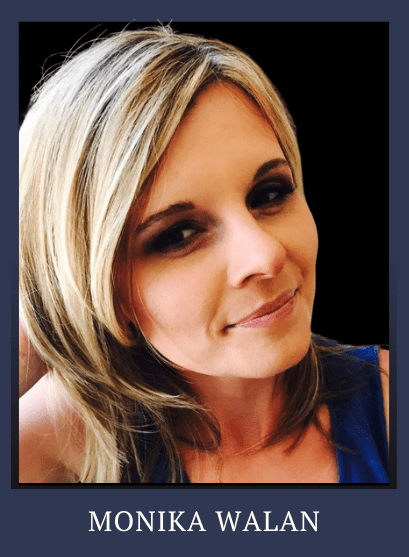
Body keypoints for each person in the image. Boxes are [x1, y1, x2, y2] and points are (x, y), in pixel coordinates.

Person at [19, 25, 389, 483]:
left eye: (269, 193)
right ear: (97, 286)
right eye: (179, 235)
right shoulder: (55, 443)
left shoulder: (388, 401)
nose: (266, 255)